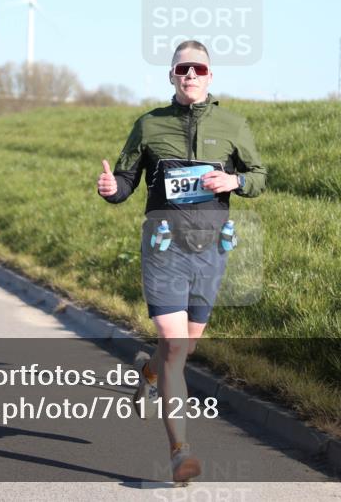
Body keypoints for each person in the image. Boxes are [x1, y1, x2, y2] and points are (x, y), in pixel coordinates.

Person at [96, 40, 266, 484]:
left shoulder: (233, 125)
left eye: (199, 69)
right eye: (182, 68)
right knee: (173, 345)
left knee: (186, 348)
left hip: (210, 249)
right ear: (171, 75)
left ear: (210, 76)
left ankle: (148, 372)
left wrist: (234, 181)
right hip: (164, 247)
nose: (191, 75)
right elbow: (127, 179)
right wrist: (112, 189)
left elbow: (259, 177)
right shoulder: (149, 124)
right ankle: (180, 453)